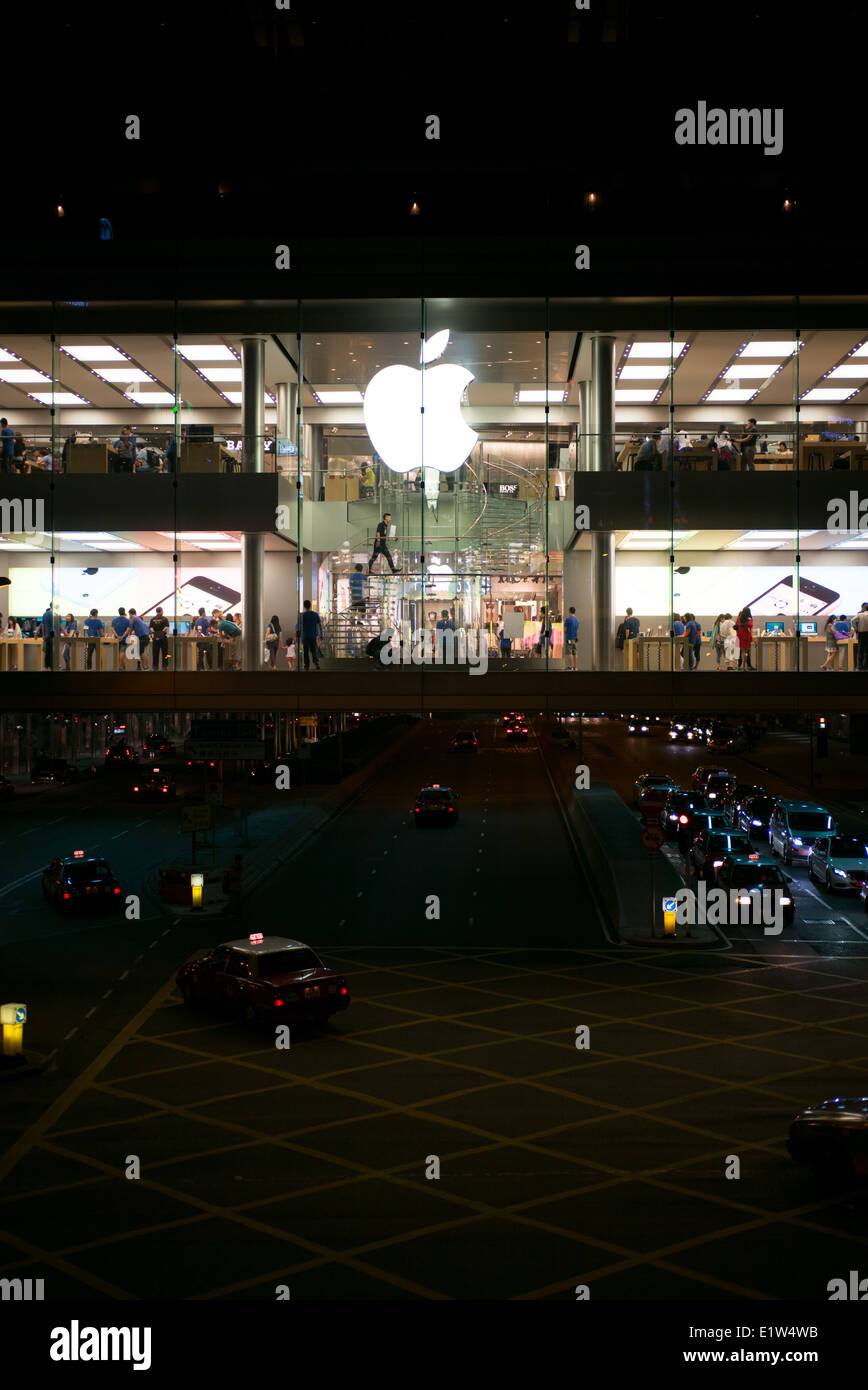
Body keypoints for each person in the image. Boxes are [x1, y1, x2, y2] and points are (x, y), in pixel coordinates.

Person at [297, 599, 322, 671]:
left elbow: (299, 626)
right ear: (310, 606)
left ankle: (306, 666)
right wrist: (321, 634)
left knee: (306, 651)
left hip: (305, 636)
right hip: (313, 636)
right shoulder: (315, 614)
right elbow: (320, 625)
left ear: (304, 606)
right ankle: (316, 663)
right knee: (313, 650)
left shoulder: (302, 615)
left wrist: (299, 634)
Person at [194, 606, 213, 671]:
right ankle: (211, 668)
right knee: (208, 654)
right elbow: (208, 630)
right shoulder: (205, 620)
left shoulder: (197, 621)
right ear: (203, 613)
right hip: (205, 640)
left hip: (199, 640)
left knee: (200, 655)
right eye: (205, 612)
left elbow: (196, 630)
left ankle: (200, 668)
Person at [853, 602, 868, 671]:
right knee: (864, 650)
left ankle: (860, 666)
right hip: (864, 633)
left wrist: (856, 628)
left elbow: (852, 620)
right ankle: (864, 666)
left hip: (861, 633)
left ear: (864, 608)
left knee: (860, 650)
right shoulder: (859, 613)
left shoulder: (860, 614)